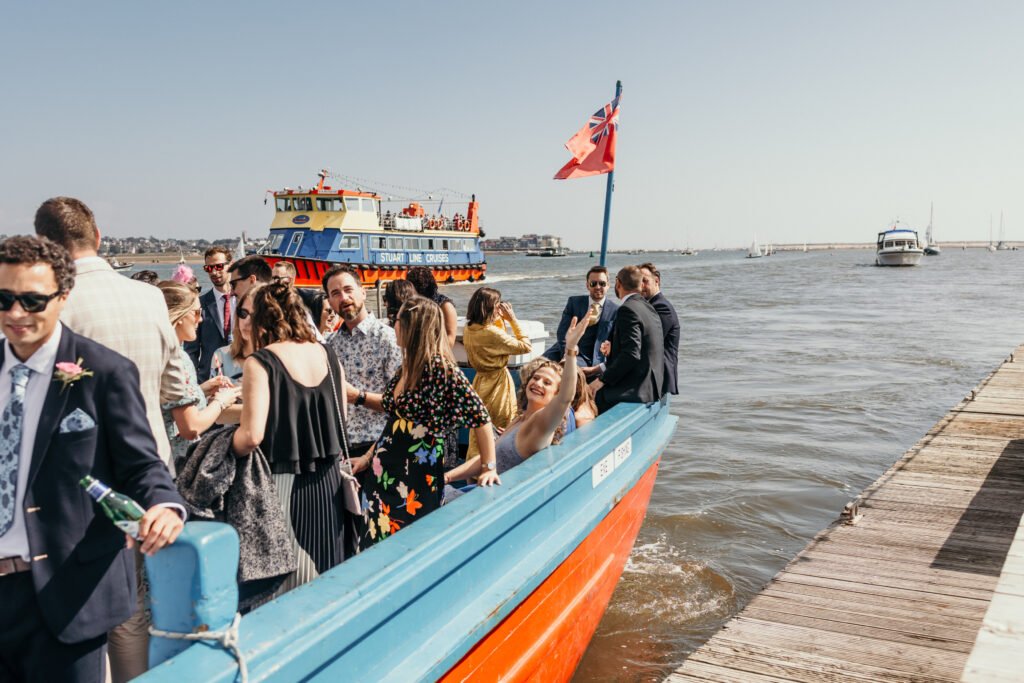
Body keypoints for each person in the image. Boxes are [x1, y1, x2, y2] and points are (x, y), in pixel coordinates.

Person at [0, 235, 184, 683]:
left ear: (64, 297)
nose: (16, 313)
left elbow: (141, 464)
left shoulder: (105, 372)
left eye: (32, 300)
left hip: (68, 592)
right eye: (4, 299)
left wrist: (165, 504)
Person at [231, 284, 354, 593]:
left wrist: (220, 446)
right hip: (328, 483)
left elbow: (251, 436)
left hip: (282, 484)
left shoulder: (260, 362)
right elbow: (343, 416)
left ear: (263, 319)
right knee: (326, 575)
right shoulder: (326, 353)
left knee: (285, 582)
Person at [351, 297, 499, 546]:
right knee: (375, 539)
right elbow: (394, 422)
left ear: (412, 326)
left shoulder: (439, 368)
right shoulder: (407, 365)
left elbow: (480, 416)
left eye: (396, 320)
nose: (393, 325)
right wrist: (367, 458)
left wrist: (489, 466)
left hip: (415, 476)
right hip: (384, 473)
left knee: (410, 543)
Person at [448, 314, 587, 479]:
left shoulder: (541, 423)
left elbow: (566, 397)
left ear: (555, 393)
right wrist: (448, 477)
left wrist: (570, 349)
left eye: (547, 383)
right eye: (535, 378)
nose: (538, 383)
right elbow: (488, 459)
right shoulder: (520, 419)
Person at [323, 265, 402, 467]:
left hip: (378, 446)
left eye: (348, 290)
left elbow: (401, 403)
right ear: (330, 302)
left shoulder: (388, 339)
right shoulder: (329, 344)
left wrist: (357, 396)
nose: (343, 298)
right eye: (335, 293)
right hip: (339, 447)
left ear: (363, 292)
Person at [157, 281, 240, 469]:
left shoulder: (157, 350)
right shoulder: (178, 358)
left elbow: (169, 402)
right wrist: (221, 401)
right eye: (196, 313)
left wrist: (200, 390)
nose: (200, 319)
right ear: (178, 316)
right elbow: (191, 427)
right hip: (176, 463)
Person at [461, 287, 531, 459]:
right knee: (500, 428)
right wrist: (512, 319)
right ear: (491, 307)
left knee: (479, 430)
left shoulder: (469, 328)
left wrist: (499, 319)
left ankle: (472, 469)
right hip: (497, 384)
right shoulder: (491, 333)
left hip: (479, 381)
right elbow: (525, 346)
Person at [590, 265, 665, 413]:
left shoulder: (627, 309)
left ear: (618, 283)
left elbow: (631, 354)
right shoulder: (649, 307)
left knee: (585, 396)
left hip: (636, 389)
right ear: (641, 284)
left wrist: (601, 381)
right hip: (652, 386)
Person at [543, 265, 618, 375]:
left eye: (602, 283)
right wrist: (568, 353)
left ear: (608, 286)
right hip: (564, 348)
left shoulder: (616, 310)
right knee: (536, 367)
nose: (598, 287)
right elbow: (562, 332)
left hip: (591, 356)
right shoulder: (574, 302)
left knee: (569, 371)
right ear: (587, 285)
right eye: (593, 283)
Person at [185, 246, 235, 381]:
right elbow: (191, 350)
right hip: (208, 379)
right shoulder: (199, 304)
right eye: (208, 268)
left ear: (231, 265)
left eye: (218, 267)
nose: (213, 272)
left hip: (241, 377)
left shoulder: (246, 300)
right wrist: (193, 381)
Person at [639, 262, 680, 396]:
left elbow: (648, 343)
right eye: (639, 282)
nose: (641, 286)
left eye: (645, 281)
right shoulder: (649, 305)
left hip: (660, 377)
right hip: (651, 373)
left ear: (656, 280)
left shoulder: (662, 308)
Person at [405, 266, 457, 347]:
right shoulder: (412, 304)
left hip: (437, 354)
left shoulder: (445, 305)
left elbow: (450, 339)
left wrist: (428, 349)